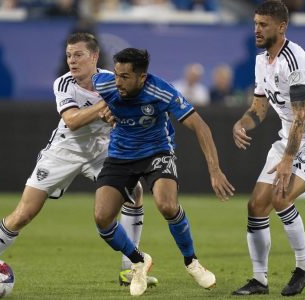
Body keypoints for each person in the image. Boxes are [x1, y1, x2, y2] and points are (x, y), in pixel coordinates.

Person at [0, 33, 158, 288]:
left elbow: (128, 110)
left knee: (136, 192)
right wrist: (105, 107)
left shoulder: (112, 81)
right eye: (68, 56)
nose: (72, 61)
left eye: (78, 55)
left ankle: (130, 270)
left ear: (94, 56)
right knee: (24, 213)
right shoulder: (63, 84)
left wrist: (117, 115)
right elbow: (73, 121)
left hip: (100, 152)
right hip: (63, 152)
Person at [92, 48, 235, 296]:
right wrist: (104, 109)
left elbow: (200, 127)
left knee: (167, 205)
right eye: (116, 74)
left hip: (156, 151)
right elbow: (87, 83)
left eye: (125, 77)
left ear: (142, 77)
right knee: (102, 218)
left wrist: (215, 170)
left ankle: (192, 262)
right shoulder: (105, 84)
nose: (118, 82)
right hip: (120, 155)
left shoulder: (161, 91)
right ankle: (138, 260)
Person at [231, 1, 305, 296]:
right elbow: (259, 107)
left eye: (263, 24)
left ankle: (304, 268)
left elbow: (302, 116)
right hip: (287, 138)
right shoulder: (260, 61)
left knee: (280, 196)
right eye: (255, 23)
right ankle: (259, 280)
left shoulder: (295, 62)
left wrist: (287, 160)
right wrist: (241, 123)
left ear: (282, 27)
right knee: (255, 206)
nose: (256, 29)